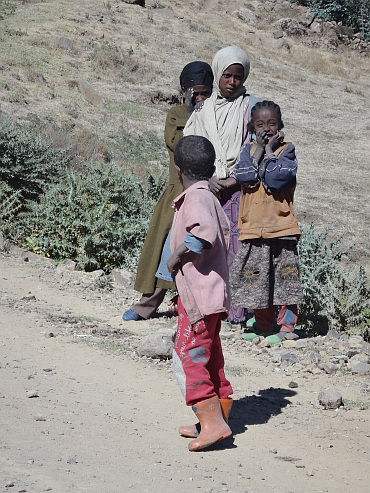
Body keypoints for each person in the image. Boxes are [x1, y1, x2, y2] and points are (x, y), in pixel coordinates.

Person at [123, 61, 213, 321]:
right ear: (185, 91)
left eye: (205, 93)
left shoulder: (215, 113)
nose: (200, 98)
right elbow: (178, 143)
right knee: (163, 246)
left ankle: (192, 307)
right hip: (177, 189)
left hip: (207, 190)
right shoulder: (176, 114)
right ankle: (147, 305)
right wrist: (189, 111)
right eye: (194, 93)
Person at [183, 45, 260, 324]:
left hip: (240, 192)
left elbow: (258, 149)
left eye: (238, 77)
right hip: (207, 189)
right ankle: (204, 306)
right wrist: (208, 178)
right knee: (206, 247)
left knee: (239, 251)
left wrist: (233, 178)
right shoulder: (202, 110)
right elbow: (190, 144)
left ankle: (238, 313)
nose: (232, 82)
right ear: (218, 74)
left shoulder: (251, 107)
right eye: (227, 75)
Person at [167, 135, 233, 452]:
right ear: (211, 168)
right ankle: (215, 418)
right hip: (213, 296)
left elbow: (202, 233)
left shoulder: (194, 199)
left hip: (200, 297)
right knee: (211, 358)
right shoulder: (209, 197)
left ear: (178, 170)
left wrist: (176, 255)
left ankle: (213, 423)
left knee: (189, 354)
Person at [229, 100, 303, 344]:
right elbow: (246, 177)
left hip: (281, 228)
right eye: (260, 124)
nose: (267, 129)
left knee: (286, 279)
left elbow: (276, 179)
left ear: (280, 125)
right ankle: (263, 325)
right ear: (252, 126)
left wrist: (269, 151)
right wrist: (259, 150)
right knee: (256, 281)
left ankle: (287, 327)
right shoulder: (247, 151)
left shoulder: (287, 150)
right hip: (253, 228)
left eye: (272, 123)